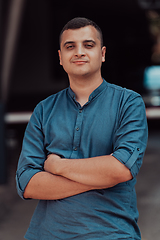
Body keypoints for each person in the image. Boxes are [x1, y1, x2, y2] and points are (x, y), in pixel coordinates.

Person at [16, 17, 148, 240]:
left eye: (88, 45)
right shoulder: (44, 110)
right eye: (70, 46)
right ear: (60, 57)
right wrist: (99, 178)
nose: (79, 52)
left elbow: (120, 170)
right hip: (46, 234)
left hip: (111, 233)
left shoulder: (128, 103)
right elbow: (27, 183)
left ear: (103, 54)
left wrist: (56, 165)